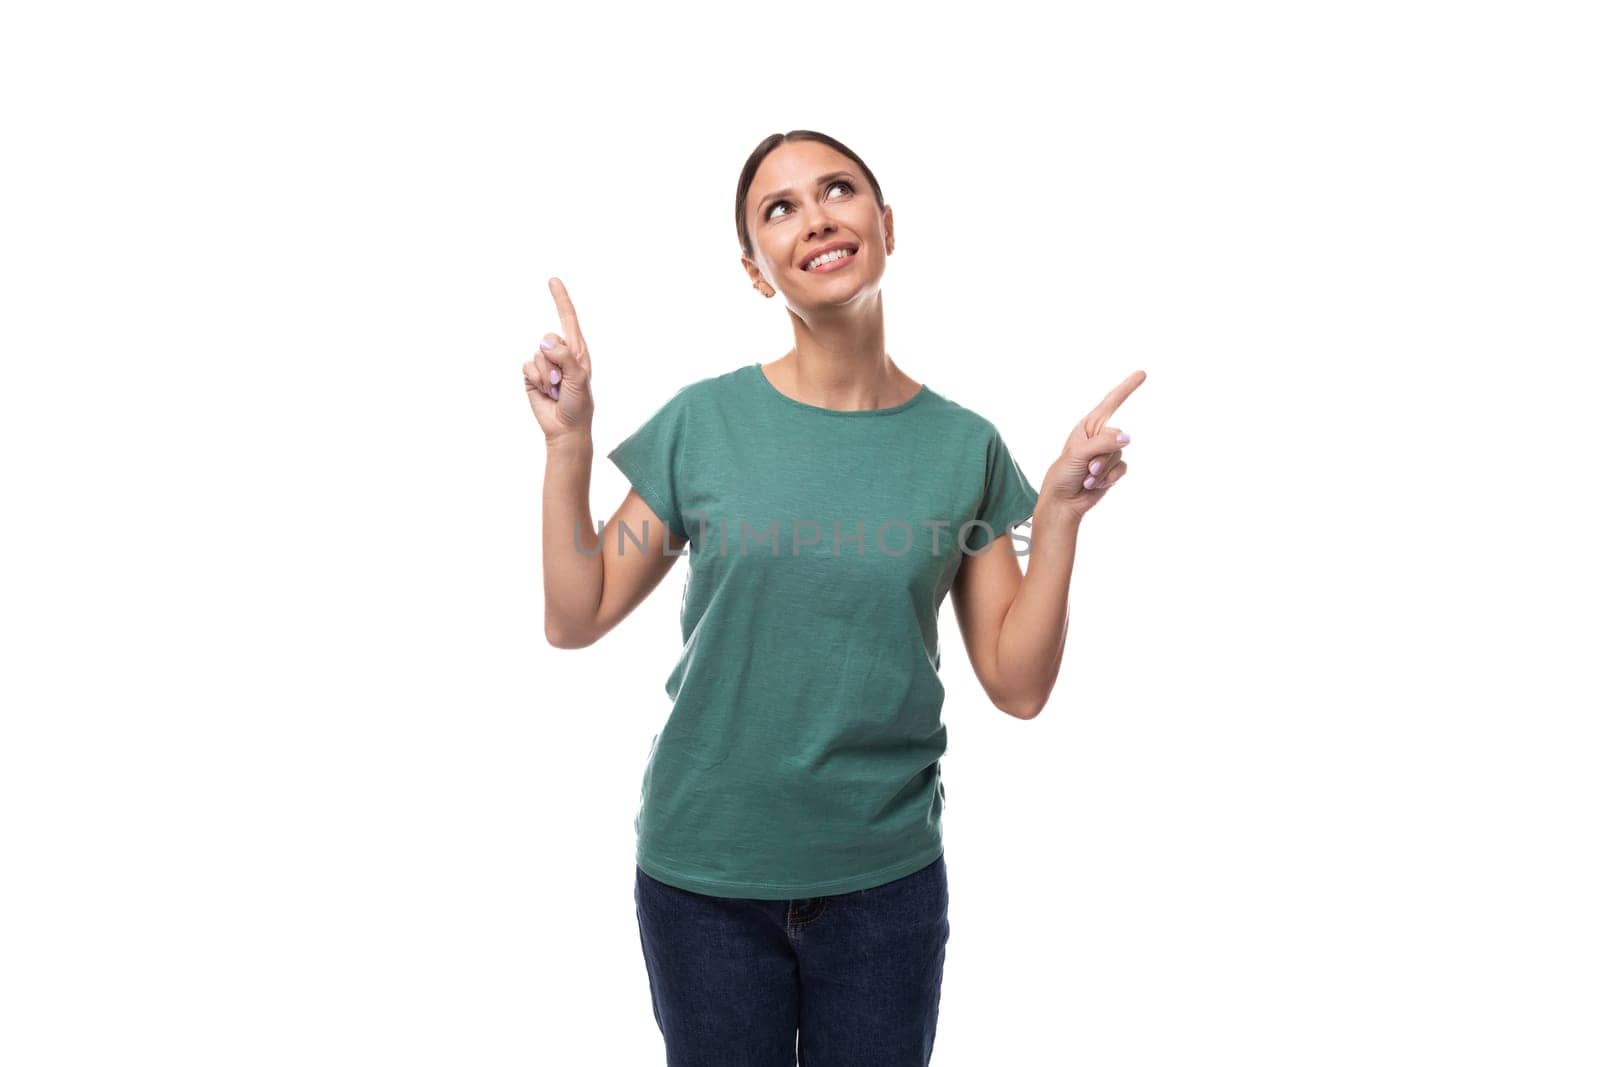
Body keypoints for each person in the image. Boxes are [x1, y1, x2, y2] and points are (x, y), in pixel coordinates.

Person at [524, 129, 1145, 1066]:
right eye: (779, 208)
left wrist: (1055, 518)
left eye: (838, 190)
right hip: (706, 883)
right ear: (754, 269)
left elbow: (1017, 684)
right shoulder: (704, 423)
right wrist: (569, 443)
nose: (815, 218)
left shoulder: (964, 449)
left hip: (883, 889)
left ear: (885, 223)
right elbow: (578, 614)